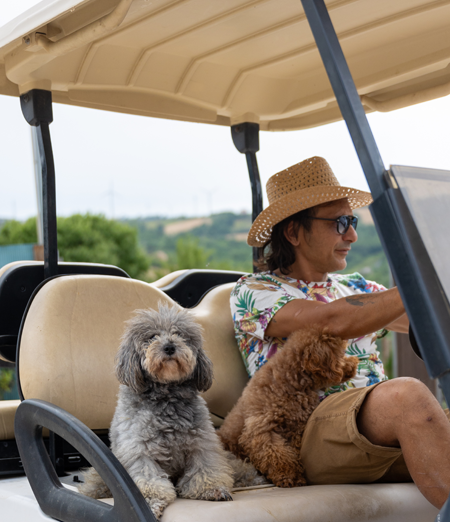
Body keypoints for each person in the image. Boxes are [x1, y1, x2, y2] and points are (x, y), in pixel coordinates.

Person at [230, 156, 450, 509]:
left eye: (353, 220)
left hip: (372, 428)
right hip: (306, 430)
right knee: (405, 396)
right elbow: (330, 322)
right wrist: (422, 276)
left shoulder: (356, 285)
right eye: (340, 222)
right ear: (293, 232)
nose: (352, 234)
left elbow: (425, 320)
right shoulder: (254, 292)